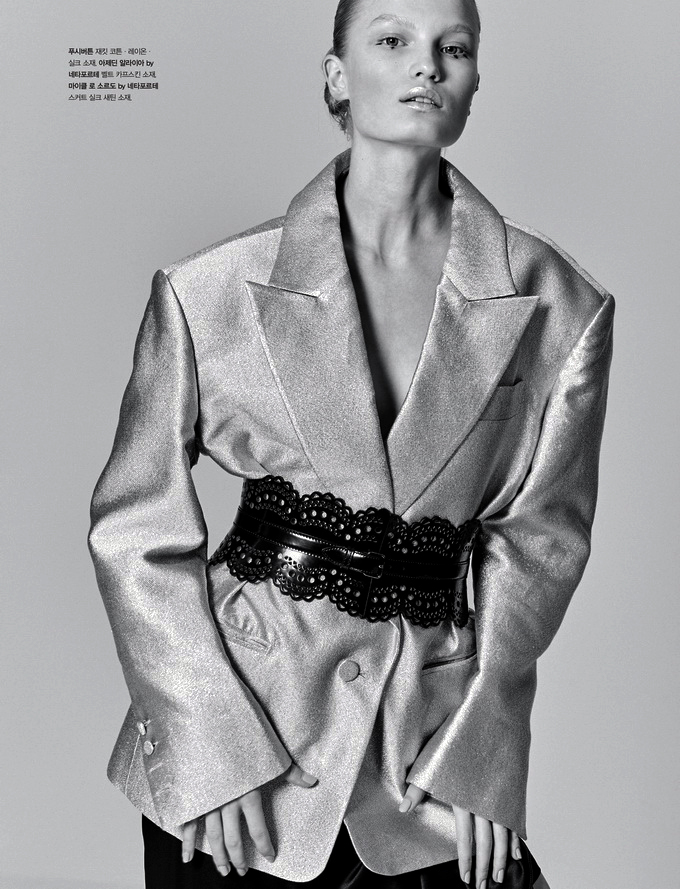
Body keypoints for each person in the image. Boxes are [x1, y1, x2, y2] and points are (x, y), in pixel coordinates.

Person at [87, 0, 614, 886]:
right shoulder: (211, 288)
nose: (427, 65)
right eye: (393, 40)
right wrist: (206, 737)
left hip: (428, 755)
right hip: (242, 754)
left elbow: (542, 544)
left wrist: (485, 748)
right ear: (336, 75)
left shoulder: (560, 303)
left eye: (454, 47)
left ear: (475, 82)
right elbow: (134, 527)